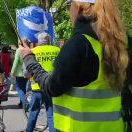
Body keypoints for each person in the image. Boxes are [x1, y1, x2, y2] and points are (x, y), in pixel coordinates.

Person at [19, 0, 128, 132]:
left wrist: (29, 59)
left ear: (79, 7)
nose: (69, 11)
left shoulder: (79, 44)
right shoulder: (123, 42)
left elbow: (52, 87)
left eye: (68, 6)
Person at [26, 33, 59, 132]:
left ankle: (29, 130)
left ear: (38, 42)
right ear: (49, 41)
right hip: (51, 87)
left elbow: (26, 70)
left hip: (37, 88)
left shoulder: (32, 51)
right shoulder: (57, 50)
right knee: (51, 114)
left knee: (33, 113)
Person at [11, 38, 28, 108]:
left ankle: (25, 103)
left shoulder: (19, 50)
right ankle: (22, 103)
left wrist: (12, 72)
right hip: (27, 72)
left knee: (19, 89)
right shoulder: (29, 50)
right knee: (24, 88)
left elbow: (16, 62)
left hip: (20, 73)